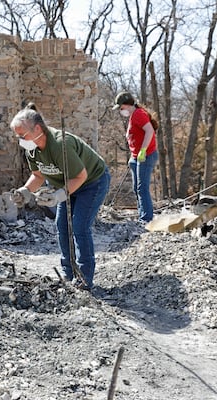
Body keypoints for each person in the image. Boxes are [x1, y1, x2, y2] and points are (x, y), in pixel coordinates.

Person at [10, 103, 110, 290]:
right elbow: (38, 175)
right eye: (18, 136)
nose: (20, 140)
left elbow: (80, 176)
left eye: (22, 135)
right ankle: (69, 273)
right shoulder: (31, 147)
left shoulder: (60, 144)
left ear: (37, 128)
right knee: (62, 226)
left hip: (92, 182)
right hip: (65, 185)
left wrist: (58, 195)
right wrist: (25, 191)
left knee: (80, 227)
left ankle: (84, 278)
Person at [112, 91, 158, 223]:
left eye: (121, 108)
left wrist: (143, 151)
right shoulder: (134, 116)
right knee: (136, 188)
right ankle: (142, 213)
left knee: (142, 188)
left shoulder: (138, 114)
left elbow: (149, 131)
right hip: (136, 157)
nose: (121, 111)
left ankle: (147, 218)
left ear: (127, 105)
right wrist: (133, 156)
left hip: (146, 155)